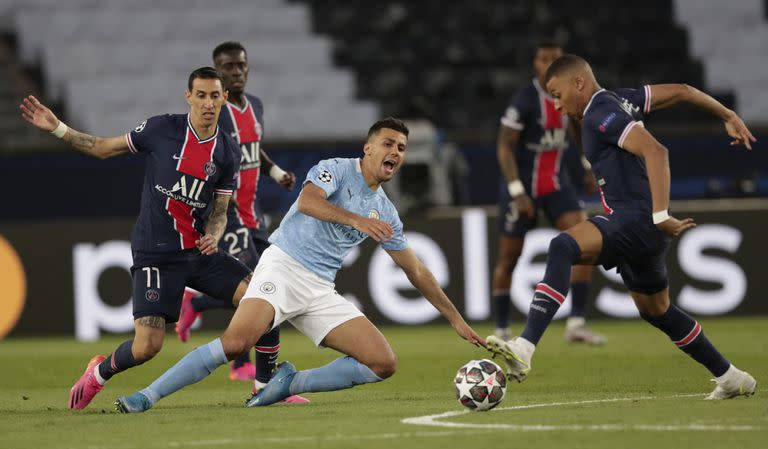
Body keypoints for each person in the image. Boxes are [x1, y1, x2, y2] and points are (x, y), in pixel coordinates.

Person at [114, 117, 486, 413]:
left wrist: (455, 319)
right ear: (368, 147)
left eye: (401, 148)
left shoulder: (385, 210)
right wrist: (355, 220)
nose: (396, 152)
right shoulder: (337, 169)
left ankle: (288, 383)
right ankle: (146, 396)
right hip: (283, 266)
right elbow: (308, 202)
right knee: (235, 342)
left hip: (320, 288)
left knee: (382, 363)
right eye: (388, 144)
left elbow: (416, 271)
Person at [486, 54, 757, 400]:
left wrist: (660, 215)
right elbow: (684, 91)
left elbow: (656, 152)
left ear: (579, 83)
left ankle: (525, 346)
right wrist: (728, 114)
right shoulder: (624, 99)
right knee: (658, 311)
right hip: (645, 230)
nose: (556, 104)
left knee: (562, 246)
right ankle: (731, 376)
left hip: (636, 219)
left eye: (558, 93)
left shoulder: (601, 114)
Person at [20, 67, 254, 410]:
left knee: (261, 297)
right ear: (188, 96)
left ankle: (266, 386)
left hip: (198, 252)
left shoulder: (227, 151)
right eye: (201, 95)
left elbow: (220, 209)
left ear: (224, 99)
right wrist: (58, 128)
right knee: (147, 347)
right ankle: (98, 373)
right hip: (156, 253)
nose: (207, 103)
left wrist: (214, 235)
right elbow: (102, 148)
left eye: (214, 96)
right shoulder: (161, 129)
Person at [174, 42, 302, 397]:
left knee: (265, 285)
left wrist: (275, 172)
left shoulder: (255, 106)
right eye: (228, 67)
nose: (237, 71)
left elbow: (253, 149)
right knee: (254, 288)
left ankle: (198, 306)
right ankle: (244, 366)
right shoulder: (216, 111)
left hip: (253, 212)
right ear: (218, 72)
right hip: (227, 214)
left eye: (241, 65)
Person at [494, 41, 603, 344]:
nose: (550, 63)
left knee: (585, 244)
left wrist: (587, 165)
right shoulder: (524, 100)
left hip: (557, 185)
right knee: (509, 259)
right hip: (522, 190)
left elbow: (578, 130)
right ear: (535, 63)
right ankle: (502, 329)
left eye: (555, 58)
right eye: (544, 59)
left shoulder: (570, 96)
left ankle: (577, 323)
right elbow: (504, 148)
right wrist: (517, 191)